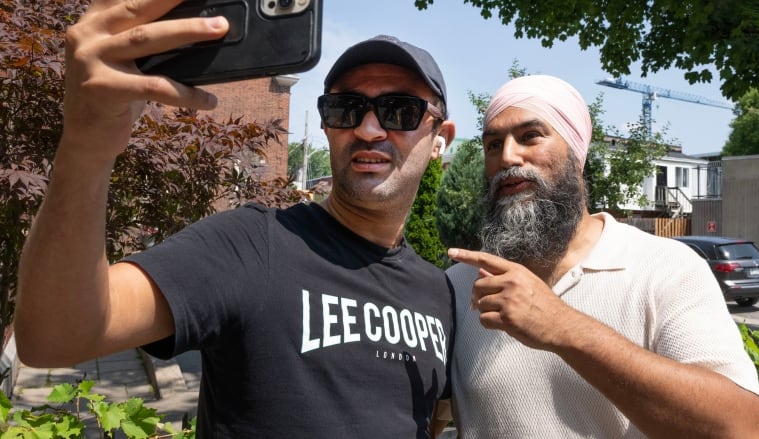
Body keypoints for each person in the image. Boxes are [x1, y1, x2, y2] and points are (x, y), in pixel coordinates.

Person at [13, 1, 457, 436]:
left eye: (401, 111)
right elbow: (55, 335)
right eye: (346, 108)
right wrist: (86, 147)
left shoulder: (440, 292)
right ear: (326, 124)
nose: (368, 129)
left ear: (440, 139)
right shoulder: (251, 244)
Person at [441, 75, 759, 438]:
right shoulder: (459, 286)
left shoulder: (667, 268)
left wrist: (563, 327)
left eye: (531, 136)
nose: (508, 156)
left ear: (577, 155)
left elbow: (740, 428)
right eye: (493, 144)